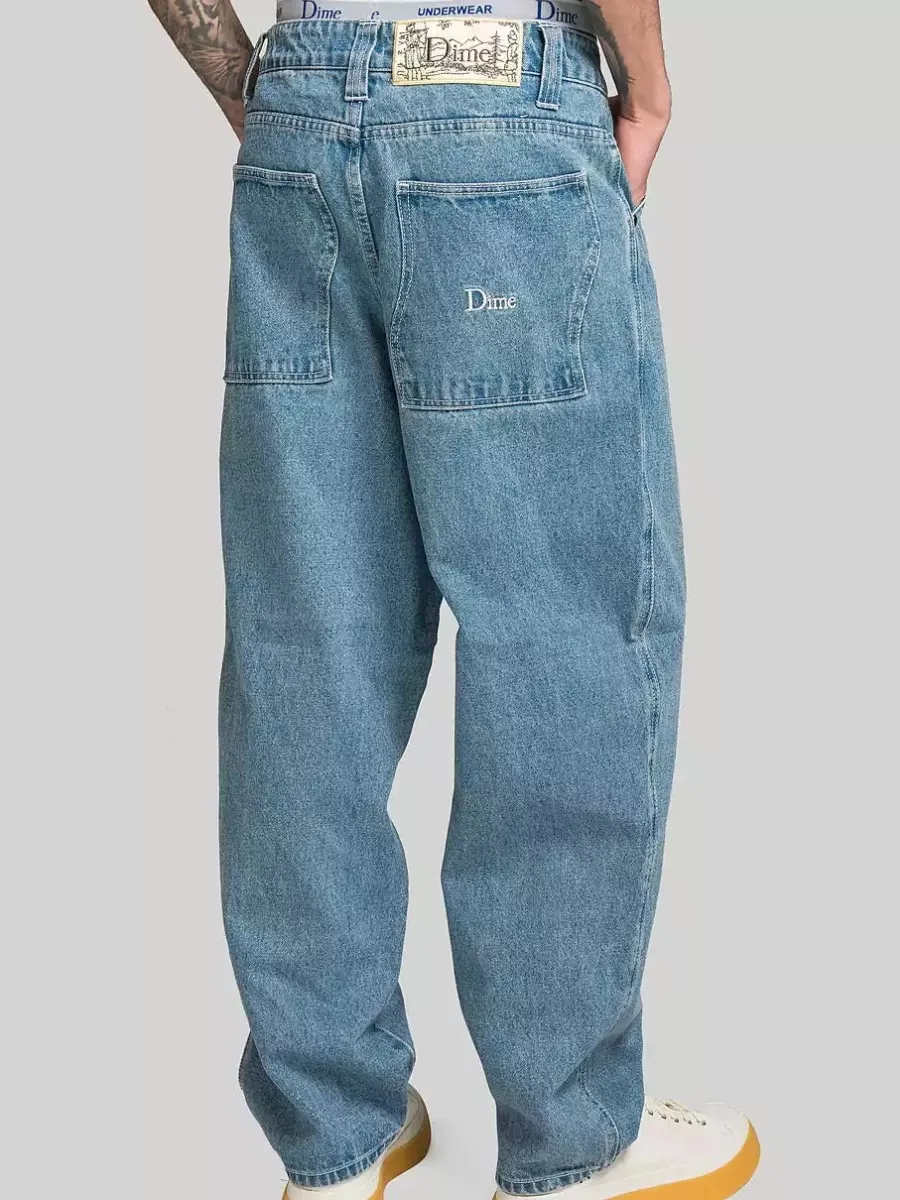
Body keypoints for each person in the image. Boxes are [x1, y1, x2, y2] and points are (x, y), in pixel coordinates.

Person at [147, 2, 761, 1198]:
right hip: (495, 107)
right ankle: (574, 1138)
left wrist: (257, 90)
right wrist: (647, 85)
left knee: (306, 647)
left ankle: (334, 1140)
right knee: (566, 638)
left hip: (299, 112)